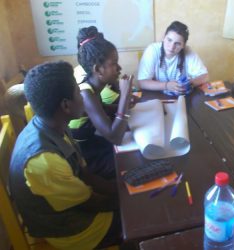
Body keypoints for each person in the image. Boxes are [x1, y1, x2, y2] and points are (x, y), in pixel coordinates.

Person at [9, 61, 121, 249]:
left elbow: (84, 174)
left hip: (78, 203)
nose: (83, 97)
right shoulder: (43, 161)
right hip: (72, 231)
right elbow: (90, 202)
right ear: (66, 105)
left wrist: (121, 188)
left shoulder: (54, 123)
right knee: (140, 219)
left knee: (124, 187)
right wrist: (126, 201)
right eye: (78, 93)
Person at [69, 26, 133, 179]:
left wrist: (126, 106)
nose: (119, 68)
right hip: (85, 153)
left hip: (93, 141)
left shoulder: (94, 85)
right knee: (130, 163)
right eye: (114, 63)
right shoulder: (85, 93)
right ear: (98, 69)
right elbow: (114, 136)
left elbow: (103, 108)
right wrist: (125, 96)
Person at [138, 21, 208, 95]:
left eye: (177, 43)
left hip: (182, 97)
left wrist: (189, 83)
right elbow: (142, 82)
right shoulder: (152, 50)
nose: (171, 47)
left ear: (183, 45)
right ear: (163, 37)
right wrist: (167, 85)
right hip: (158, 96)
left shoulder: (187, 51)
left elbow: (204, 76)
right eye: (169, 40)